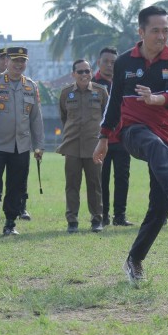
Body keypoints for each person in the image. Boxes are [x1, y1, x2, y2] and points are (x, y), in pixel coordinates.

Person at [93, 5, 168, 286]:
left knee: (159, 208)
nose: (161, 36)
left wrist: (155, 98)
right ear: (141, 32)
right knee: (152, 144)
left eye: (166, 30)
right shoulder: (124, 62)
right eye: (155, 31)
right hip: (133, 130)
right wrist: (102, 138)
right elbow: (113, 103)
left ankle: (134, 260)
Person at [0, 46, 44, 238]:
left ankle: (10, 223)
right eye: (15, 60)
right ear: (7, 61)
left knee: (17, 186)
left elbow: (36, 118)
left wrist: (38, 144)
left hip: (21, 145)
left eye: (22, 61)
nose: (19, 64)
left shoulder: (31, 86)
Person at [57, 59, 108, 233]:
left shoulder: (101, 92)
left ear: (91, 73)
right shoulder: (65, 94)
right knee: (72, 185)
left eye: (87, 71)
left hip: (94, 147)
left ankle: (96, 220)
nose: (84, 74)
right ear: (73, 74)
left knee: (94, 185)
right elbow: (64, 117)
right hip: (71, 146)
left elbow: (106, 117)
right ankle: (72, 221)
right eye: (80, 72)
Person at [94, 47, 133, 227]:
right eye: (106, 61)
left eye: (113, 62)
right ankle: (103, 215)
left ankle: (120, 215)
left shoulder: (124, 82)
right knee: (102, 179)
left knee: (122, 178)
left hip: (122, 139)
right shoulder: (92, 84)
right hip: (101, 140)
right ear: (98, 63)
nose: (109, 66)